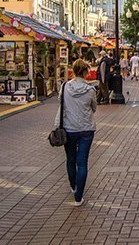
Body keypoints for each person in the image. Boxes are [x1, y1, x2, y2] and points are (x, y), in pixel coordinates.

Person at [55, 59, 97, 207]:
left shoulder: (65, 86)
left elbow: (61, 102)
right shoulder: (90, 90)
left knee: (70, 159)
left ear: (73, 71)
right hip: (86, 129)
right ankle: (79, 197)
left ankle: (73, 187)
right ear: (85, 72)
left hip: (69, 128)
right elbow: (94, 107)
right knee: (82, 162)